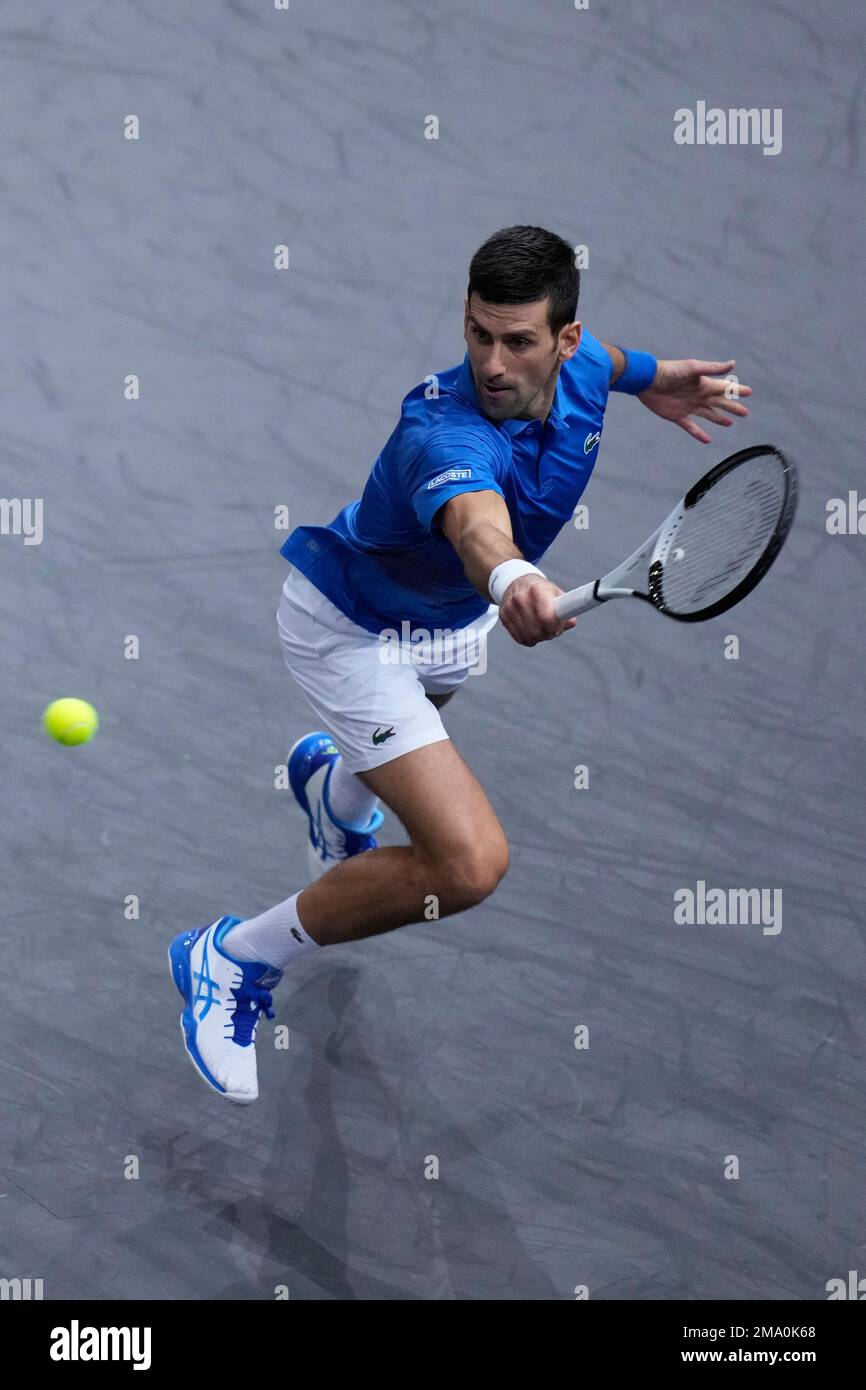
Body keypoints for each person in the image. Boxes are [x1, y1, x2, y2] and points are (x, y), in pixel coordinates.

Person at [168, 224, 751, 1102]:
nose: (491, 362)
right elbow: (477, 524)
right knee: (467, 864)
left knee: (394, 751)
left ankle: (332, 793)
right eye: (478, 333)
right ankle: (231, 957)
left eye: (518, 341)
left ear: (563, 340)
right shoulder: (443, 434)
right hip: (351, 629)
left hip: (442, 627)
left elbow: (614, 361)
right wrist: (512, 576)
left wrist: (658, 379)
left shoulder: (585, 365)